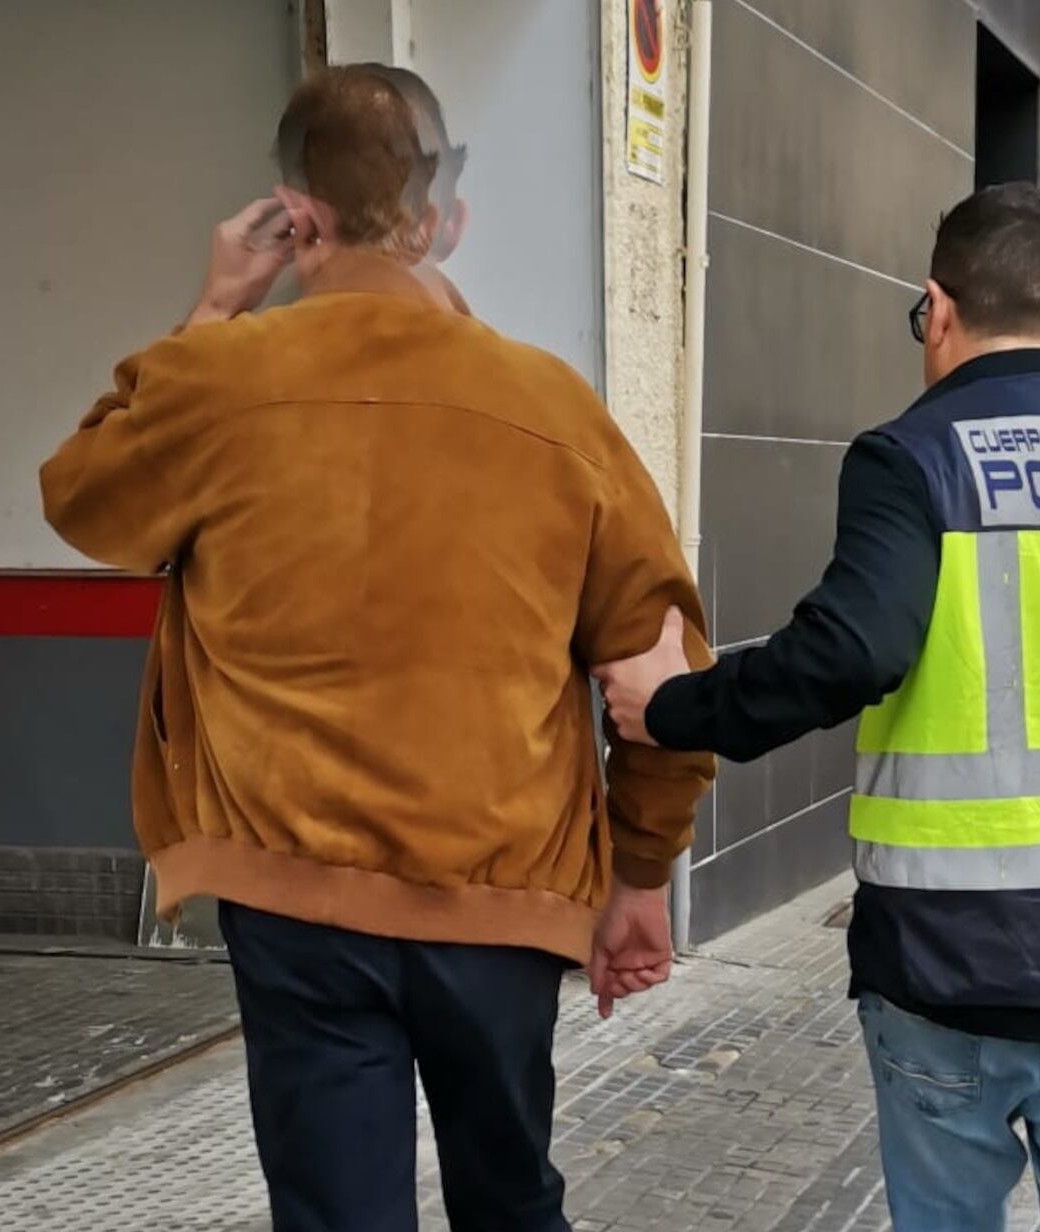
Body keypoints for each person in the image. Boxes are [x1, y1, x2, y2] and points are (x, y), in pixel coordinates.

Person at [40, 65, 714, 1232]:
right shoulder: (555, 412)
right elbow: (660, 665)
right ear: (443, 218)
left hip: (291, 891)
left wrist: (212, 312)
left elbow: (86, 501)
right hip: (502, 896)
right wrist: (640, 876)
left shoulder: (219, 386)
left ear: (293, 218)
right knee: (510, 1200)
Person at [594, 184, 1040, 1232]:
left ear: (938, 308)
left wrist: (673, 708)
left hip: (950, 969)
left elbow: (851, 647)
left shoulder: (915, 460)